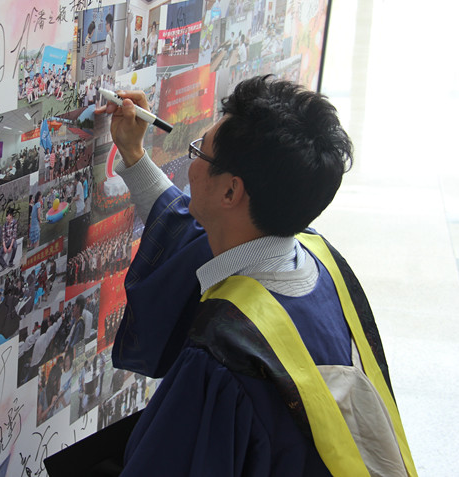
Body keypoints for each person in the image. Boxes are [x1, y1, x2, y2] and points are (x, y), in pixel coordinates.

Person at [95, 77, 416, 476]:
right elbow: (190, 233)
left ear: (231, 193)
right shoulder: (316, 258)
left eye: (200, 151)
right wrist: (133, 154)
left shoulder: (224, 359)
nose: (192, 164)